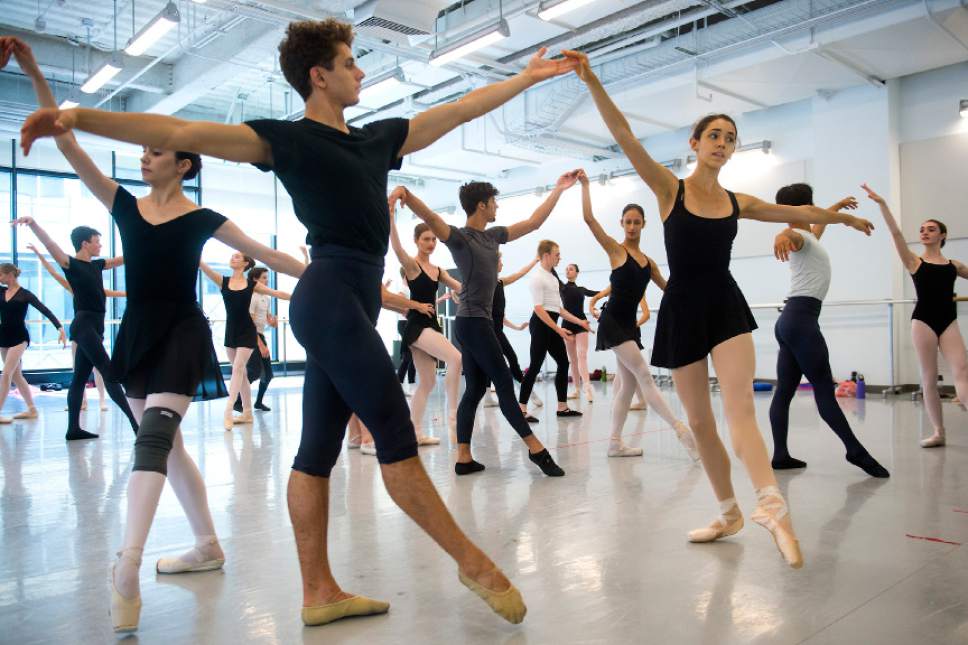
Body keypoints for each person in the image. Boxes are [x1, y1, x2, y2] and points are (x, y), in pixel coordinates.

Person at [20, 20, 581, 627]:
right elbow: (179, 131)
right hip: (329, 296)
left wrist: (523, 78)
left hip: (351, 300)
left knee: (315, 452)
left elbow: (460, 108)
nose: (362, 71)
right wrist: (77, 118)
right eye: (350, 62)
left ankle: (319, 592)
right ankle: (475, 565)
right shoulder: (285, 141)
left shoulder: (376, 139)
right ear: (320, 76)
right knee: (395, 438)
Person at [11, 33, 307, 633]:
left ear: (184, 162)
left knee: (153, 438)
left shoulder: (201, 219)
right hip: (137, 336)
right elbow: (63, 138)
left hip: (181, 331)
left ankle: (126, 566)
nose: (143, 158)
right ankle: (207, 545)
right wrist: (31, 64)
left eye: (155, 151)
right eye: (143, 151)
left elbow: (263, 255)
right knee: (168, 447)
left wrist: (341, 277)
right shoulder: (122, 205)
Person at [566, 48, 875, 569]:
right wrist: (591, 77)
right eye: (715, 136)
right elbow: (624, 136)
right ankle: (728, 511)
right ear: (695, 143)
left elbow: (794, 210)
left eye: (730, 139)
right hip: (683, 309)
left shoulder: (737, 201)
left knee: (737, 412)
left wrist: (840, 219)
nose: (723, 145)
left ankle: (771, 504)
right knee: (701, 422)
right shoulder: (670, 190)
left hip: (725, 305)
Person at [391, 174, 579, 476]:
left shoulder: (493, 236)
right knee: (504, 381)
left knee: (476, 388)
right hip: (472, 322)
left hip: (479, 322)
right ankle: (536, 449)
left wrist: (557, 189)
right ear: (481, 205)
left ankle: (464, 457)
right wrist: (407, 195)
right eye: (494, 203)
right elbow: (432, 218)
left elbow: (533, 223)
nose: (497, 208)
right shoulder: (459, 238)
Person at [769, 183, 889, 476]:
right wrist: (781, 234)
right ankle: (854, 450)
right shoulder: (797, 236)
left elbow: (815, 227)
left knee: (784, 391)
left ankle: (781, 455)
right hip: (801, 320)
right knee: (823, 389)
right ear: (804, 208)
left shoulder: (810, 236)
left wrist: (836, 207)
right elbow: (790, 235)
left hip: (790, 321)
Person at [577, 171, 699, 459]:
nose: (632, 226)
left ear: (644, 224)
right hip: (613, 323)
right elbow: (589, 220)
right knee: (644, 373)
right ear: (622, 224)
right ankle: (681, 430)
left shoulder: (648, 262)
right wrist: (585, 186)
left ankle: (614, 443)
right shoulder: (616, 251)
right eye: (627, 221)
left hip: (629, 326)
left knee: (628, 386)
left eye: (637, 222)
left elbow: (670, 289)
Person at [862, 183, 968, 448]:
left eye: (931, 229)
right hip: (923, 322)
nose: (925, 232)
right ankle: (938, 432)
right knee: (929, 378)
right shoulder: (914, 262)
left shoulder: (953, 265)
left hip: (949, 320)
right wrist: (882, 204)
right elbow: (896, 233)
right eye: (922, 229)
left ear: (943, 235)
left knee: (962, 370)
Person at [14, 218, 139, 440]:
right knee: (109, 372)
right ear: (84, 243)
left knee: (80, 378)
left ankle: (73, 429)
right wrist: (33, 224)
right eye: (97, 242)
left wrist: (149, 244)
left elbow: (125, 259)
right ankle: (136, 425)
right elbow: (51, 244)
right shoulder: (70, 264)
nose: (100, 246)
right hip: (84, 325)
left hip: (94, 326)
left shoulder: (98, 265)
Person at [389, 214, 463, 444]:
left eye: (433, 239)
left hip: (430, 324)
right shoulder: (412, 266)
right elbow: (397, 248)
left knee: (428, 382)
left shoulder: (438, 270)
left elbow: (460, 286)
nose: (431, 243)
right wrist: (391, 216)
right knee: (456, 357)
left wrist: (468, 289)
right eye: (426, 239)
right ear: (417, 241)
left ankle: (415, 432)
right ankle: (454, 416)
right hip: (417, 326)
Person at [27, 242, 124, 413]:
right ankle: (83, 402)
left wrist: (126, 293)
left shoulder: (92, 278)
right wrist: (38, 254)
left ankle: (102, 400)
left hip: (92, 328)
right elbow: (52, 271)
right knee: (79, 370)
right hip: (82, 330)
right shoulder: (72, 285)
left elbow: (105, 291)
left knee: (97, 368)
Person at [200, 255, 290, 430]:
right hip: (230, 331)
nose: (233, 258)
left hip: (247, 332)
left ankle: (228, 410)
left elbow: (277, 293)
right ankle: (247, 412)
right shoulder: (223, 281)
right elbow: (204, 267)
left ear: (245, 263)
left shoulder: (252, 285)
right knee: (241, 375)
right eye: (231, 256)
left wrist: (299, 295)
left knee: (238, 368)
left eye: (237, 257)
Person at [518, 239, 587, 420]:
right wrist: (558, 329)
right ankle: (522, 409)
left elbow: (559, 309)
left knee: (563, 363)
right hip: (541, 325)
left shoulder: (553, 278)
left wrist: (580, 322)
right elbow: (539, 309)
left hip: (551, 324)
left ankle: (562, 407)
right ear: (546, 255)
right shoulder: (537, 278)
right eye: (557, 254)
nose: (560, 258)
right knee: (535, 366)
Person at [0, 262, 66, 423]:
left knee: (6, 373)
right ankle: (32, 409)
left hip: (19, 338)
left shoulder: (25, 294)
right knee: (16, 376)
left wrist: (60, 328)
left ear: (10, 275)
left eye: (1, 274)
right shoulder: (1, 292)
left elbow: (45, 310)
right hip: (3, 336)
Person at [483, 253, 536, 408]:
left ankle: (526, 392)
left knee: (509, 360)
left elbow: (519, 274)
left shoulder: (500, 282)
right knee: (503, 361)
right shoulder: (485, 284)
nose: (502, 264)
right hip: (489, 332)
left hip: (497, 331)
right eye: (500, 261)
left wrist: (517, 327)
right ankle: (527, 393)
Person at [589, 285, 649, 411]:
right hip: (617, 331)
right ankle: (624, 401)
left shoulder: (638, 289)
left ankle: (631, 401)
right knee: (624, 368)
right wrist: (592, 309)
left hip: (629, 332)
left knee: (629, 368)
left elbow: (646, 314)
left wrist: (634, 325)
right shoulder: (615, 284)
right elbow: (596, 297)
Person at [558, 263, 599, 402]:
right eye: (567, 269)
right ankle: (576, 389)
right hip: (568, 325)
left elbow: (598, 294)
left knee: (582, 355)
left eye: (571, 269)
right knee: (573, 360)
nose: (568, 270)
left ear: (577, 272)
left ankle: (587, 387)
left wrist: (613, 289)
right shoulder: (562, 287)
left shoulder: (581, 289)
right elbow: (552, 274)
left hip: (582, 323)